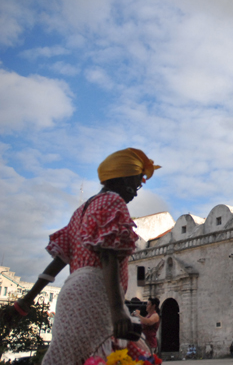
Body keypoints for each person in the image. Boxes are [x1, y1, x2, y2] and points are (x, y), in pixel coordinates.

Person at [1, 148, 160, 365]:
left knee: (72, 355)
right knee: (105, 354)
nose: (136, 191)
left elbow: (58, 262)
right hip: (96, 292)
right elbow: (107, 256)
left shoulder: (82, 211)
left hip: (72, 292)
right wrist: (116, 311)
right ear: (123, 178)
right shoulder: (113, 202)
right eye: (136, 182)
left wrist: (25, 302)